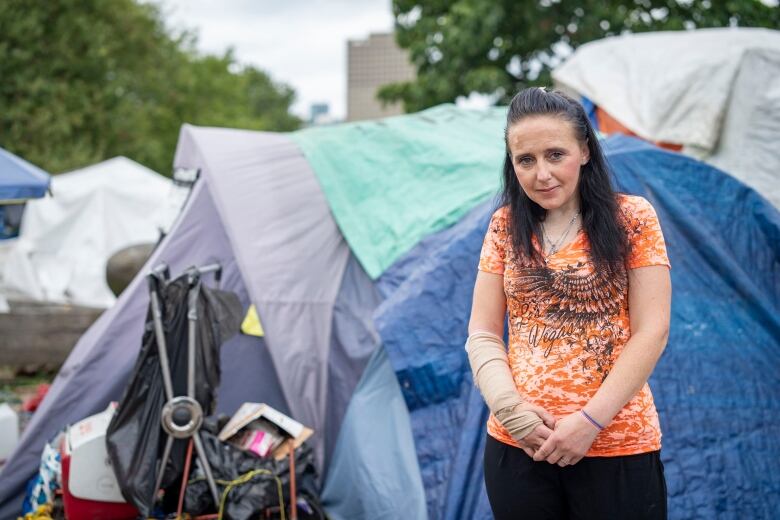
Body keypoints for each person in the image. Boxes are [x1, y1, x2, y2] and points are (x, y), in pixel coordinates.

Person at [467, 87, 671, 519]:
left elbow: (652, 331)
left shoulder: (632, 218)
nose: (542, 173)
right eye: (526, 160)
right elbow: (482, 333)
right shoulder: (504, 226)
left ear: (584, 151)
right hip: (519, 448)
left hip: (617, 445)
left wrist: (590, 423)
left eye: (555, 154)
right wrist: (513, 413)